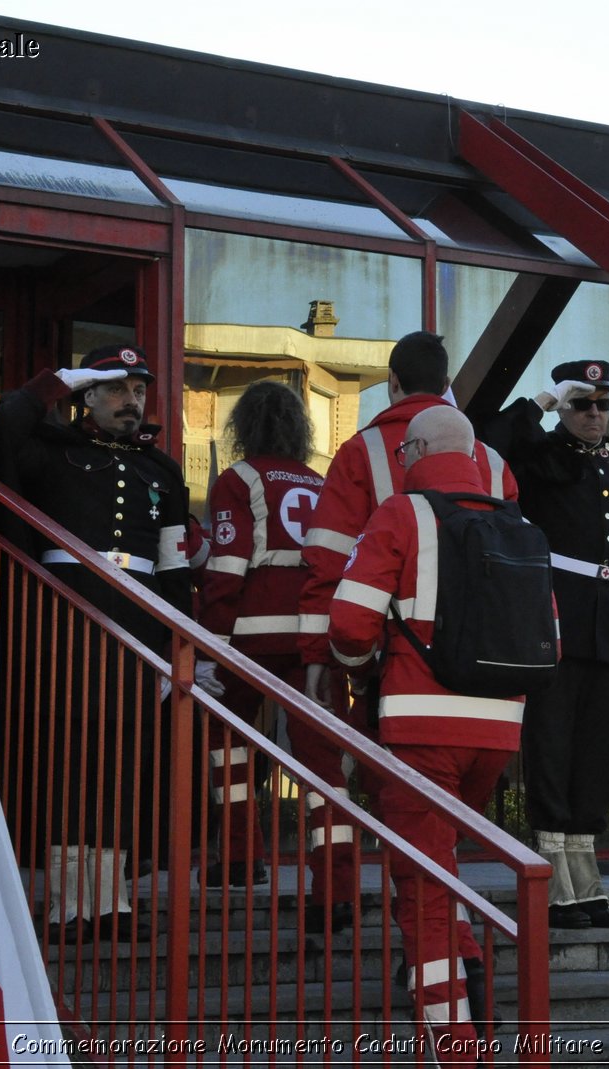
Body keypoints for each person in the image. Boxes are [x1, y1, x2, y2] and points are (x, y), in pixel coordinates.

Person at [328, 405, 549, 1062]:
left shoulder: (401, 514)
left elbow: (348, 623)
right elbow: (551, 635)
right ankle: (474, 976)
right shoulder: (519, 526)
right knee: (440, 864)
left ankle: (456, 1047)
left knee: (420, 889)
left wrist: (359, 669)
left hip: (422, 732)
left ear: (414, 452)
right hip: (498, 734)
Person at [0, 344, 190, 941]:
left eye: (138, 391)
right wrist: (50, 382)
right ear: (87, 394)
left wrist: (178, 645)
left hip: (136, 622)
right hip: (66, 615)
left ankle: (111, 900)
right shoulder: (49, 450)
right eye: (115, 389)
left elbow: (174, 568)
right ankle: (69, 902)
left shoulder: (160, 469)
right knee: (70, 754)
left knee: (125, 759)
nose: (131, 402)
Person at [475, 360, 609, 930]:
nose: (594, 415)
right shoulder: (541, 454)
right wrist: (541, 399)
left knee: (594, 752)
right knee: (552, 744)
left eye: (602, 404)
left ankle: (586, 879)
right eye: (582, 403)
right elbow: (489, 446)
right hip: (555, 619)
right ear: (565, 406)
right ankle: (553, 877)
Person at [199, 381, 358, 929]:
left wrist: (210, 646)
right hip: (316, 639)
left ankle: (242, 859)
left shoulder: (238, 480)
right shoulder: (320, 482)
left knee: (226, 740)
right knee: (323, 763)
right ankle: (335, 886)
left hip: (250, 634)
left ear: (243, 427)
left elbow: (226, 570)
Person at [298, 331, 517, 719]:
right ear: (446, 385)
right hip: (491, 665)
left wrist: (320, 655)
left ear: (393, 381)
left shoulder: (359, 452)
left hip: (396, 663)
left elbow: (329, 562)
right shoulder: (495, 463)